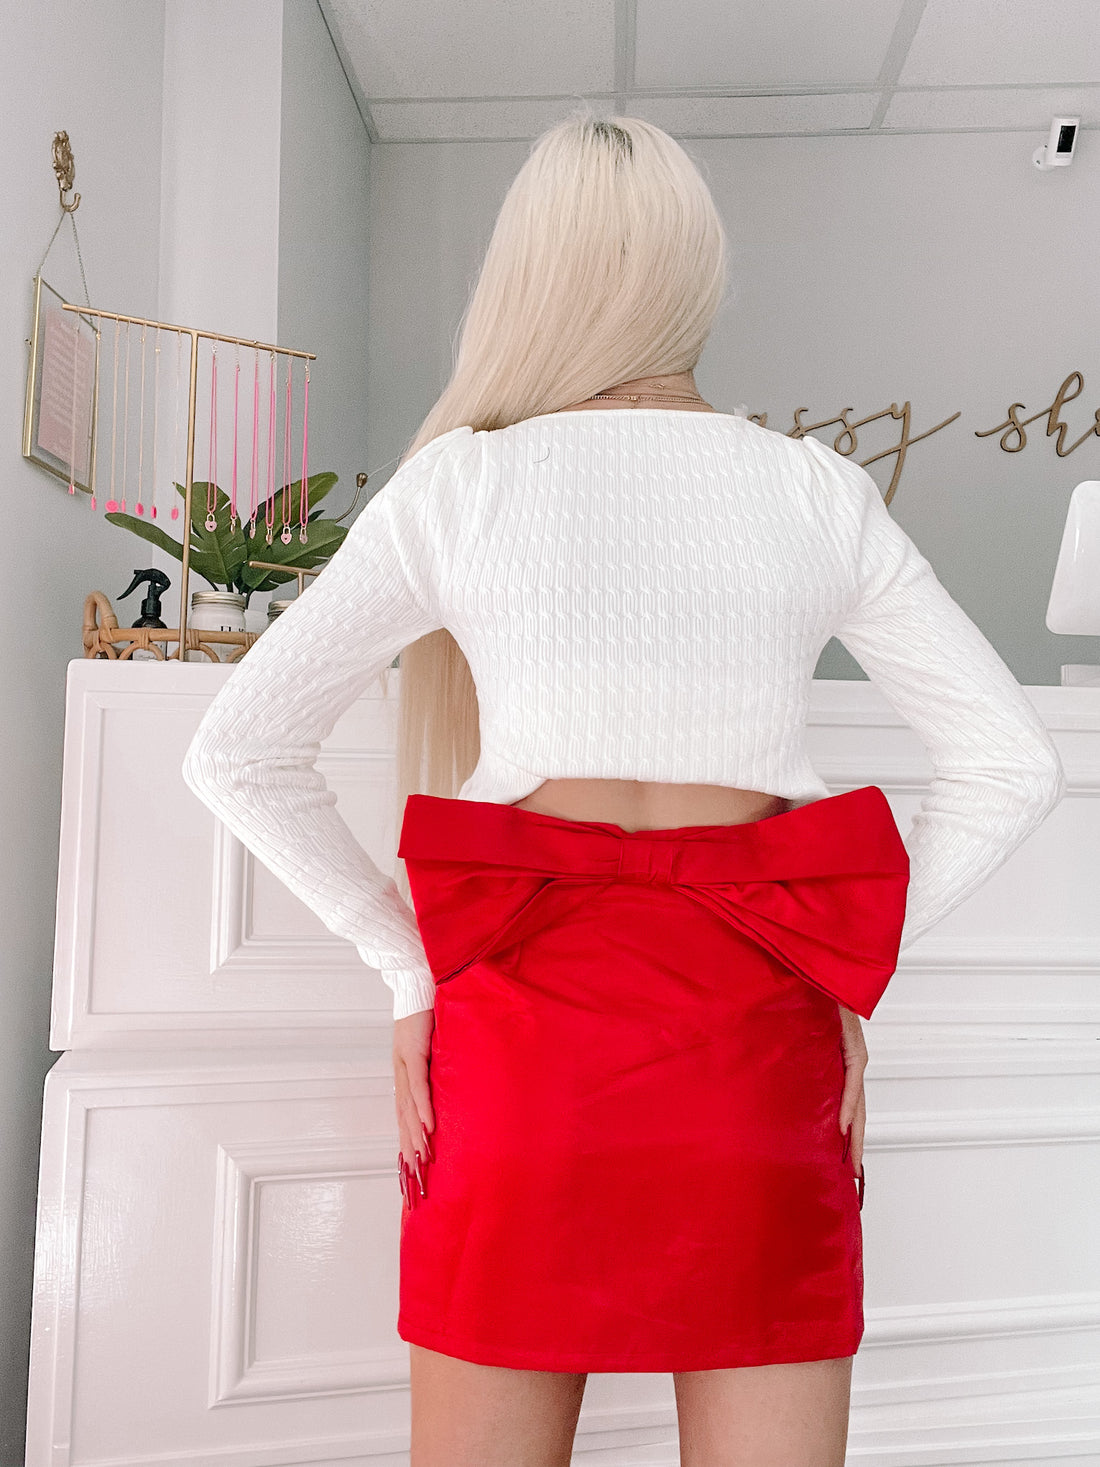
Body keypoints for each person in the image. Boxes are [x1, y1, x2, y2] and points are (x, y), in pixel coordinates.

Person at [181, 111, 1065, 1467]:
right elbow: (1015, 764)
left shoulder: (461, 487)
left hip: (521, 1048)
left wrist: (405, 969)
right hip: (755, 1049)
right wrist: (839, 963)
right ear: (695, 277)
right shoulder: (816, 491)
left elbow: (236, 751)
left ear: (526, 276)